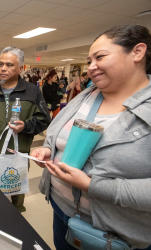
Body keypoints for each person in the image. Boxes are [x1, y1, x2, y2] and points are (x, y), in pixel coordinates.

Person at [31, 24, 151, 250]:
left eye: (100, 57)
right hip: (62, 213)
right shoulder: (85, 97)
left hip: (116, 235)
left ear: (137, 52)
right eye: (88, 61)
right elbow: (57, 134)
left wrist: (92, 185)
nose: (90, 68)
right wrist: (48, 149)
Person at [0, 47, 50, 212]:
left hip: (18, 154)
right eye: (1, 64)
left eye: (9, 65)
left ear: (21, 68)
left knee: (17, 192)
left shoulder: (32, 92)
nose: (3, 68)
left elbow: (44, 119)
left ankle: (17, 215)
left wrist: (26, 126)